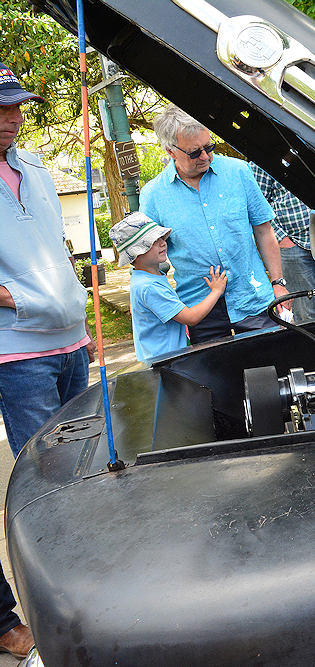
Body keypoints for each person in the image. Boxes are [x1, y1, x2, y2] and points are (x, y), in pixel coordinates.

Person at [0, 61, 72, 658]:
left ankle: (82, 594)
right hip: (18, 353)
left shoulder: (37, 169)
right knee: (45, 486)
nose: (12, 118)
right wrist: (16, 299)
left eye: (17, 107)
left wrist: (72, 309)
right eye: (0, 109)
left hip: (71, 343)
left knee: (81, 470)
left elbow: (54, 250)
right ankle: (45, 618)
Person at [139, 105, 289, 344]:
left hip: (252, 298)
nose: (205, 157)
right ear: (170, 151)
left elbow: (263, 230)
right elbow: (147, 259)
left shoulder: (239, 172)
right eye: (194, 152)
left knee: (268, 364)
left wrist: (278, 283)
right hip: (200, 309)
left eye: (209, 147)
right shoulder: (153, 196)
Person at [110, 212, 228, 362]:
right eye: (153, 241)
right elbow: (191, 318)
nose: (162, 243)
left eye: (161, 237)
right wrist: (216, 291)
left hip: (164, 358)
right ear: (137, 254)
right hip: (166, 361)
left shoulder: (146, 277)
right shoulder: (149, 286)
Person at [249, 163, 315, 321]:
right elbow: (257, 205)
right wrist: (281, 239)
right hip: (293, 244)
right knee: (304, 313)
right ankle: (310, 339)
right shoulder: (264, 160)